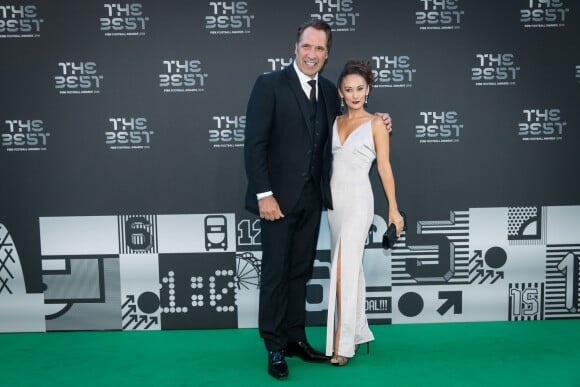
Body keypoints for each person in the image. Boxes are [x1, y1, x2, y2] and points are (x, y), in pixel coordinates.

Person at [244, 20, 392, 380]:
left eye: (320, 49)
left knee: (300, 272)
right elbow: (255, 144)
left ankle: (296, 338)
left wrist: (380, 119)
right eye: (307, 46)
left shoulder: (328, 91)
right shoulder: (269, 84)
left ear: (327, 55)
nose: (312, 54)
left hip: (313, 200)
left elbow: (351, 123)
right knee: (275, 275)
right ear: (296, 47)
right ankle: (275, 345)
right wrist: (264, 194)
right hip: (276, 202)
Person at [325, 59, 404, 366]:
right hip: (335, 204)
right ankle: (358, 332)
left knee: (344, 269)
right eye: (348, 90)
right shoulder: (333, 122)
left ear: (368, 90)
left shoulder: (377, 124)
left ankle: (342, 345)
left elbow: (384, 168)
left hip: (359, 201)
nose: (355, 94)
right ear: (341, 94)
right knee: (349, 269)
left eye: (360, 89)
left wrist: (393, 209)